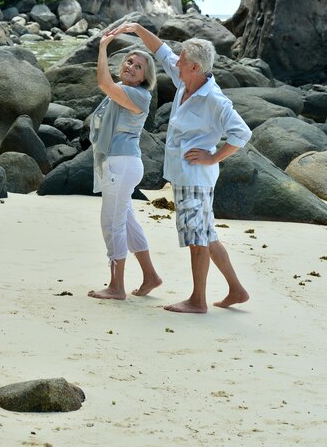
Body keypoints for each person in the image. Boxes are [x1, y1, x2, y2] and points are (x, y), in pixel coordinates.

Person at [106, 22, 252, 314]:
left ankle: (198, 301)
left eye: (182, 61)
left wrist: (213, 157)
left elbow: (241, 134)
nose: (176, 62)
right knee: (207, 235)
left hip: (195, 176)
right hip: (185, 174)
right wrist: (136, 28)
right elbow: (160, 51)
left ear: (195, 67)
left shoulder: (214, 99)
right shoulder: (187, 79)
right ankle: (236, 290)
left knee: (197, 240)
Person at [88, 33, 162, 301]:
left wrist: (103, 46)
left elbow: (102, 82)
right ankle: (151, 276)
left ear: (144, 77)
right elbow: (108, 85)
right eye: (129, 61)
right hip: (120, 164)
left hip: (123, 165)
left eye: (138, 66)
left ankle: (116, 286)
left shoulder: (137, 95)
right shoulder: (123, 91)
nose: (130, 66)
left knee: (112, 224)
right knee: (127, 223)